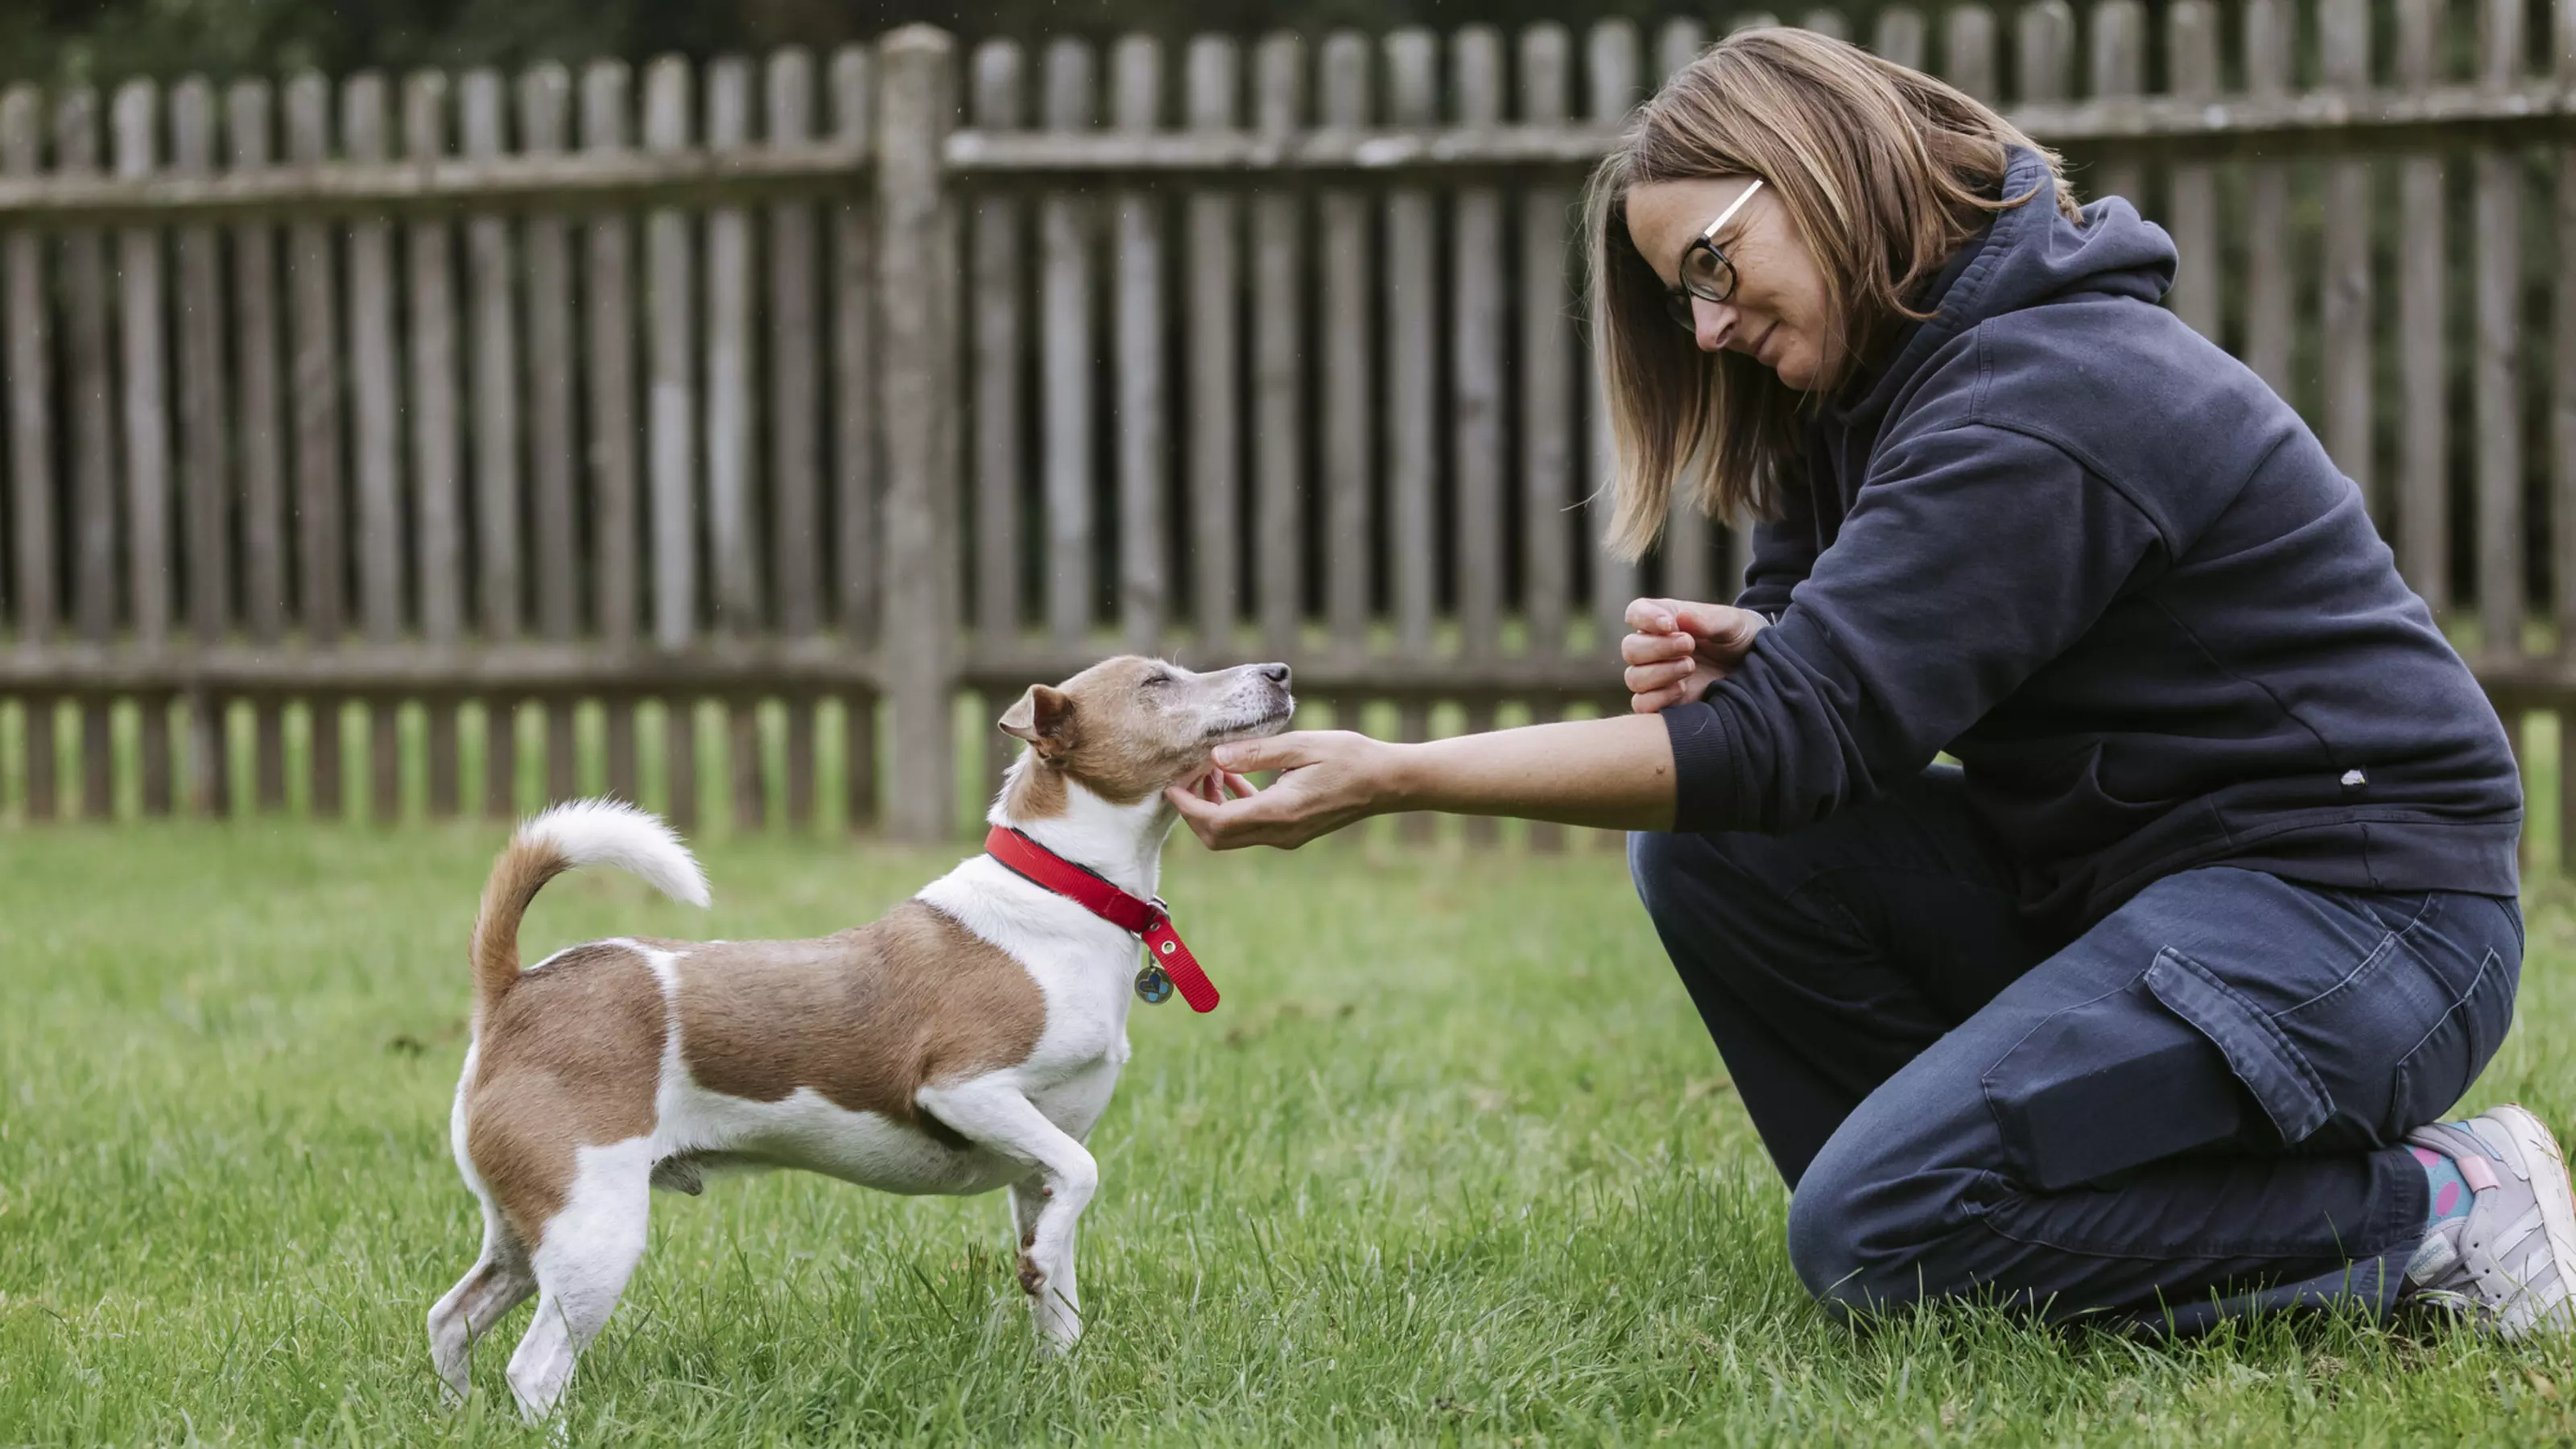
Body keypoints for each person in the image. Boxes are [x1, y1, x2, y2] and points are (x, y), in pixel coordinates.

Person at [1165, 28, 2574, 1336]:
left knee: (1874, 1231)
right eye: (1678, 299)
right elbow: (1809, 707)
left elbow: (1790, 744)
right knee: (1720, 870)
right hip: (2141, 897)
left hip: (2363, 922)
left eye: (1711, 267)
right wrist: (1765, 643)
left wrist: (1402, 772)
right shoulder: (1860, 398)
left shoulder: (2053, 387)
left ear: (1819, 175)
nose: (1704, 329)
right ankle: (1995, 1217)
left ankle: (2443, 1208)